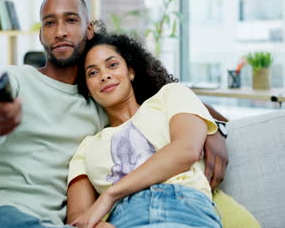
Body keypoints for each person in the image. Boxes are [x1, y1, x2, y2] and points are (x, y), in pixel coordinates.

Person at [0, 0, 232, 228]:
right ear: (41, 35)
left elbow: (172, 103)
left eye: (71, 20)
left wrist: (212, 130)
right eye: (49, 23)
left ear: (89, 29)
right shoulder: (15, 80)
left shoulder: (101, 102)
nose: (60, 31)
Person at [67, 32, 259, 228]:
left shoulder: (171, 96)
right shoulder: (87, 147)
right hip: (126, 218)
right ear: (87, 89)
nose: (104, 75)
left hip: (185, 208)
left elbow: (186, 150)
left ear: (131, 71)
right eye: (93, 72)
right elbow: (79, 217)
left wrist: (110, 195)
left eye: (113, 65)